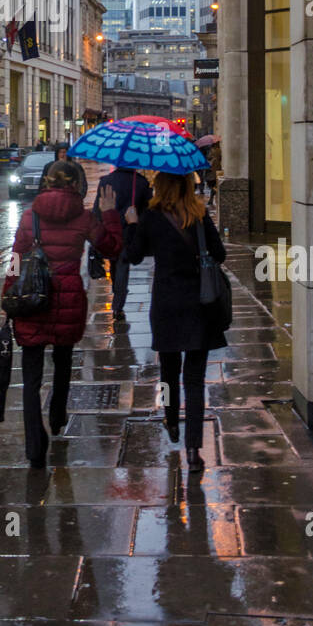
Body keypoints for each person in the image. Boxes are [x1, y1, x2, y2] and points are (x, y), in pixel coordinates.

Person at [4, 161, 122, 468]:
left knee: (30, 376)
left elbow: (16, 260)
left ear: (46, 183)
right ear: (76, 185)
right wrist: (110, 212)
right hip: (68, 297)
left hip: (33, 296)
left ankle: (34, 445)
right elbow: (112, 248)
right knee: (63, 360)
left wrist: (8, 295)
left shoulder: (30, 217)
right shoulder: (84, 217)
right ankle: (57, 415)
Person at [123, 170, 227, 472]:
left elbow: (133, 256)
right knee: (194, 380)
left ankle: (171, 422)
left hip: (166, 304)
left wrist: (131, 224)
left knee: (168, 373)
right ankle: (194, 450)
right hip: (199, 303)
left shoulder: (151, 216)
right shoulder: (198, 213)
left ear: (161, 185)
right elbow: (219, 254)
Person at [91, 168, 151, 319]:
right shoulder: (141, 182)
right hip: (129, 229)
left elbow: (98, 208)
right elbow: (148, 209)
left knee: (114, 262)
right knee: (122, 265)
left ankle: (117, 294)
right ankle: (118, 304)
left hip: (110, 228)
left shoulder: (105, 181)